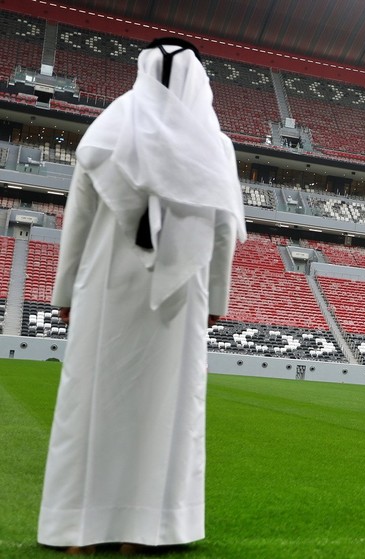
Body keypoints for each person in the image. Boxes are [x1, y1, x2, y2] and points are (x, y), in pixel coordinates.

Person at [38, 37, 246, 554]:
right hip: (182, 296)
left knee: (92, 398)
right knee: (168, 407)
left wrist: (65, 291)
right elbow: (222, 232)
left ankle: (77, 530)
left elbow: (79, 219)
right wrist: (216, 299)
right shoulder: (214, 144)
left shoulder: (108, 128)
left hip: (106, 283)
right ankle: (152, 529)